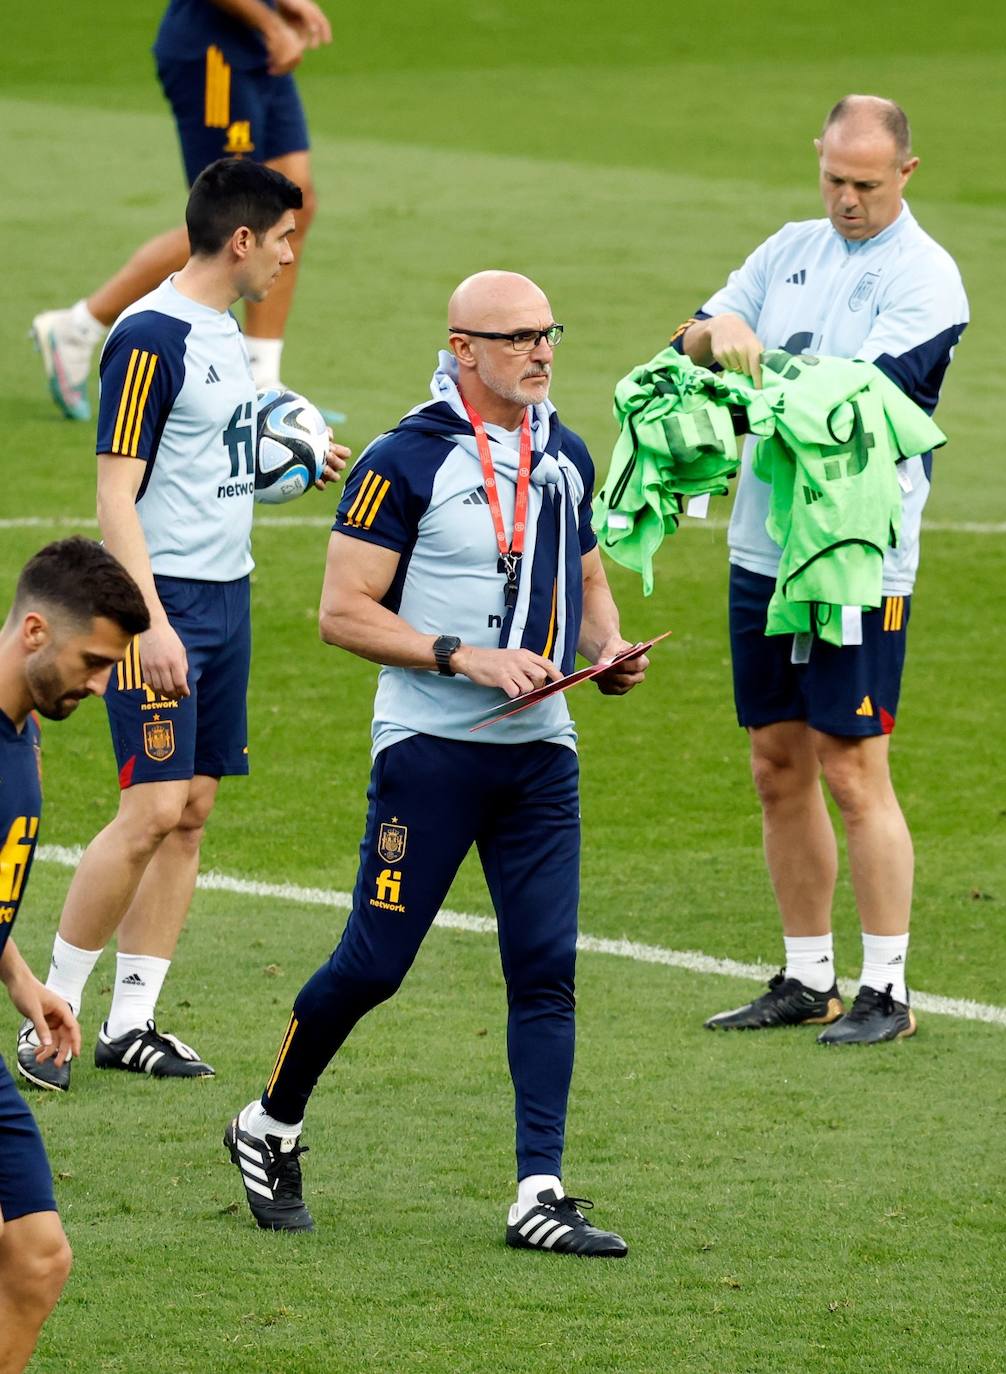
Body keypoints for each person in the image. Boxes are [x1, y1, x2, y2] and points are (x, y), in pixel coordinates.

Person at [225, 270, 649, 1256]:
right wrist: (465, 656)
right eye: (517, 338)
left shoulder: (564, 454)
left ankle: (537, 1191)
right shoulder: (402, 459)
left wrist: (607, 646)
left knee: (545, 970)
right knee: (373, 965)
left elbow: (583, 569)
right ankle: (270, 1121)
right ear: (463, 348)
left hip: (541, 755)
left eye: (549, 333)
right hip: (430, 752)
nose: (542, 352)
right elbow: (341, 614)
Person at [16, 158, 348, 1094]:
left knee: (191, 812)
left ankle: (133, 1020)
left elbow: (205, 460)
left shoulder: (222, 332)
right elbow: (115, 492)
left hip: (228, 596)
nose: (290, 255)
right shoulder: (149, 336)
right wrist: (149, 623)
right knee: (151, 808)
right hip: (162, 606)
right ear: (242, 239)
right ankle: (54, 1014)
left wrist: (291, 462)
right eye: (284, 239)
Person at [675, 96, 968, 1044]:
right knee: (775, 765)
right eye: (834, 178)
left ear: (907, 175)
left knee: (852, 768)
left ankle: (888, 987)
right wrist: (710, 338)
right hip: (763, 547)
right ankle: (808, 976)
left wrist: (746, 374)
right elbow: (692, 336)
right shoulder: (788, 246)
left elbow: (859, 410)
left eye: (866, 185)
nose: (846, 199)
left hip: (854, 563)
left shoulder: (930, 282)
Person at [31, 0, 333, 421]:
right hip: (214, 50)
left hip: (254, 46)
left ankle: (261, 379)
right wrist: (271, 23)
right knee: (233, 219)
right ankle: (77, 328)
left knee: (293, 203)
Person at [0, 537, 149, 1373]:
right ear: (32, 632)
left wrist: (23, 981)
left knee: (38, 1257)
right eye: (93, 663)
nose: (99, 686)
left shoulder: (22, 727)